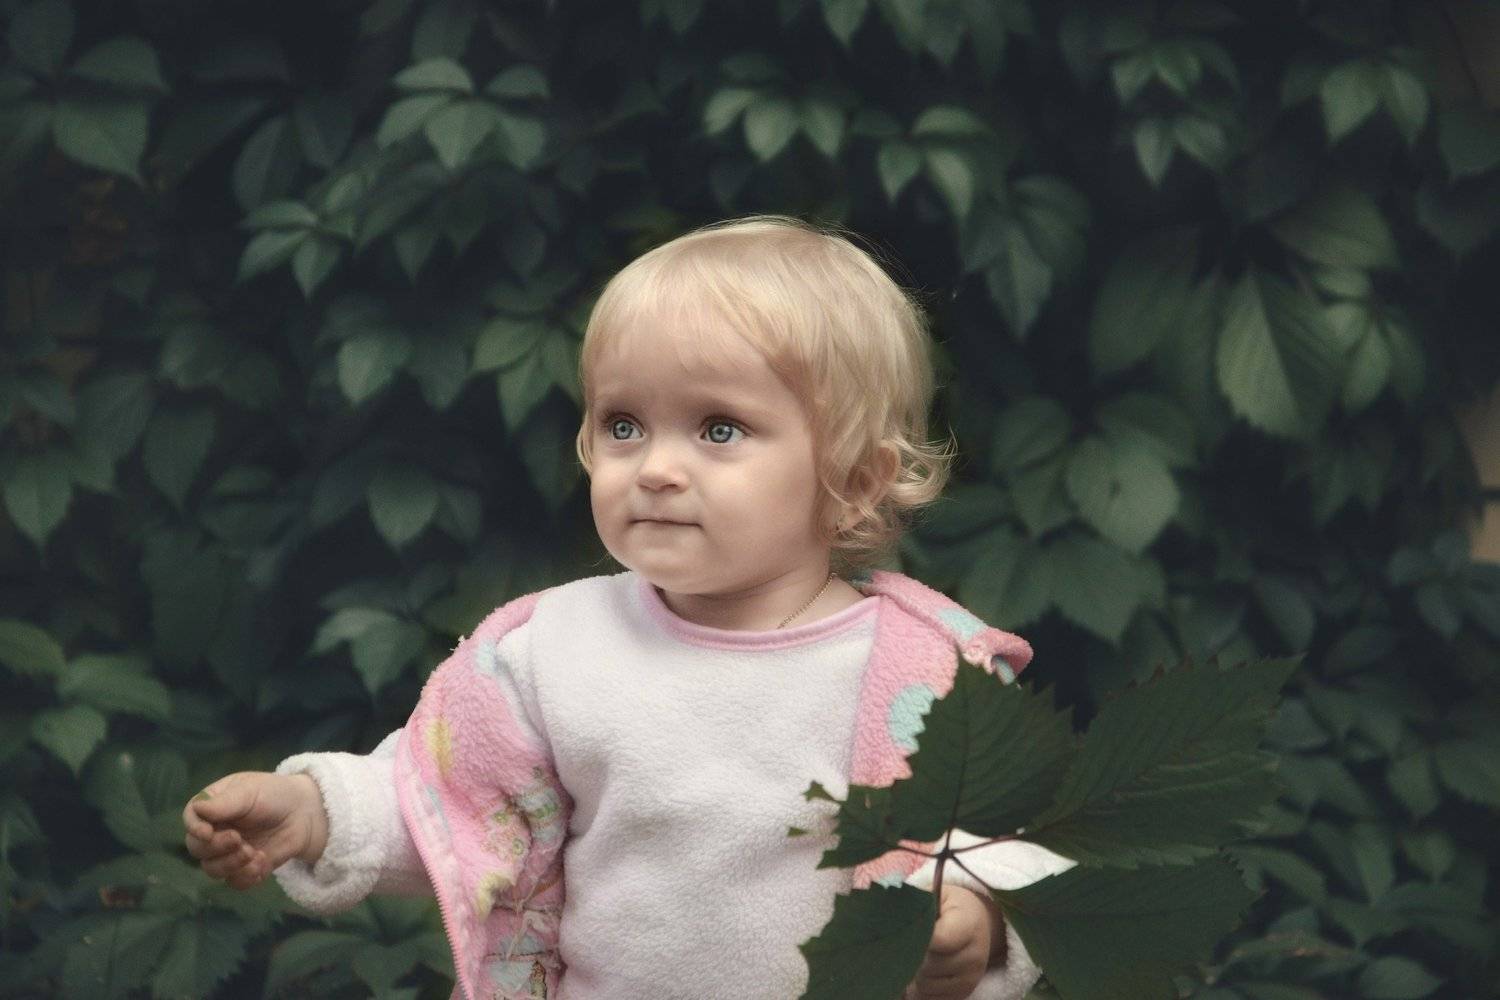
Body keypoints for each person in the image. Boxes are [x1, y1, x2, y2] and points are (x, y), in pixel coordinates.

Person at [181, 216, 1074, 1000]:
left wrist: (979, 916)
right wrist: (311, 811)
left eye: (718, 428)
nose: (654, 467)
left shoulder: (923, 674)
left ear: (853, 478)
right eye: (623, 425)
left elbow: (1019, 834)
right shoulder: (552, 652)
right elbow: (455, 805)